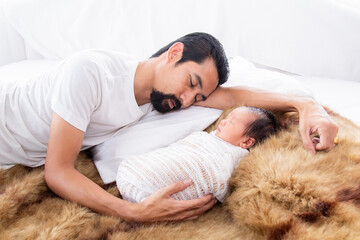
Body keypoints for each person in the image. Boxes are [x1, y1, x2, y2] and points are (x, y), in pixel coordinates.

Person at [0, 32, 338, 223]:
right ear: (173, 53)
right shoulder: (90, 72)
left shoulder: (160, 96)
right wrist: (133, 211)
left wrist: (304, 105)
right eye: (191, 82)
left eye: (198, 95)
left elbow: (234, 95)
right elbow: (57, 171)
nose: (189, 98)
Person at [117, 106, 277, 203]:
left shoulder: (234, 155)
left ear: (247, 143)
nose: (223, 121)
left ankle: (144, 188)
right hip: (145, 167)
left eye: (231, 122)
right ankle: (140, 178)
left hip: (182, 174)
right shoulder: (207, 138)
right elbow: (182, 148)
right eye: (227, 118)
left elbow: (221, 180)